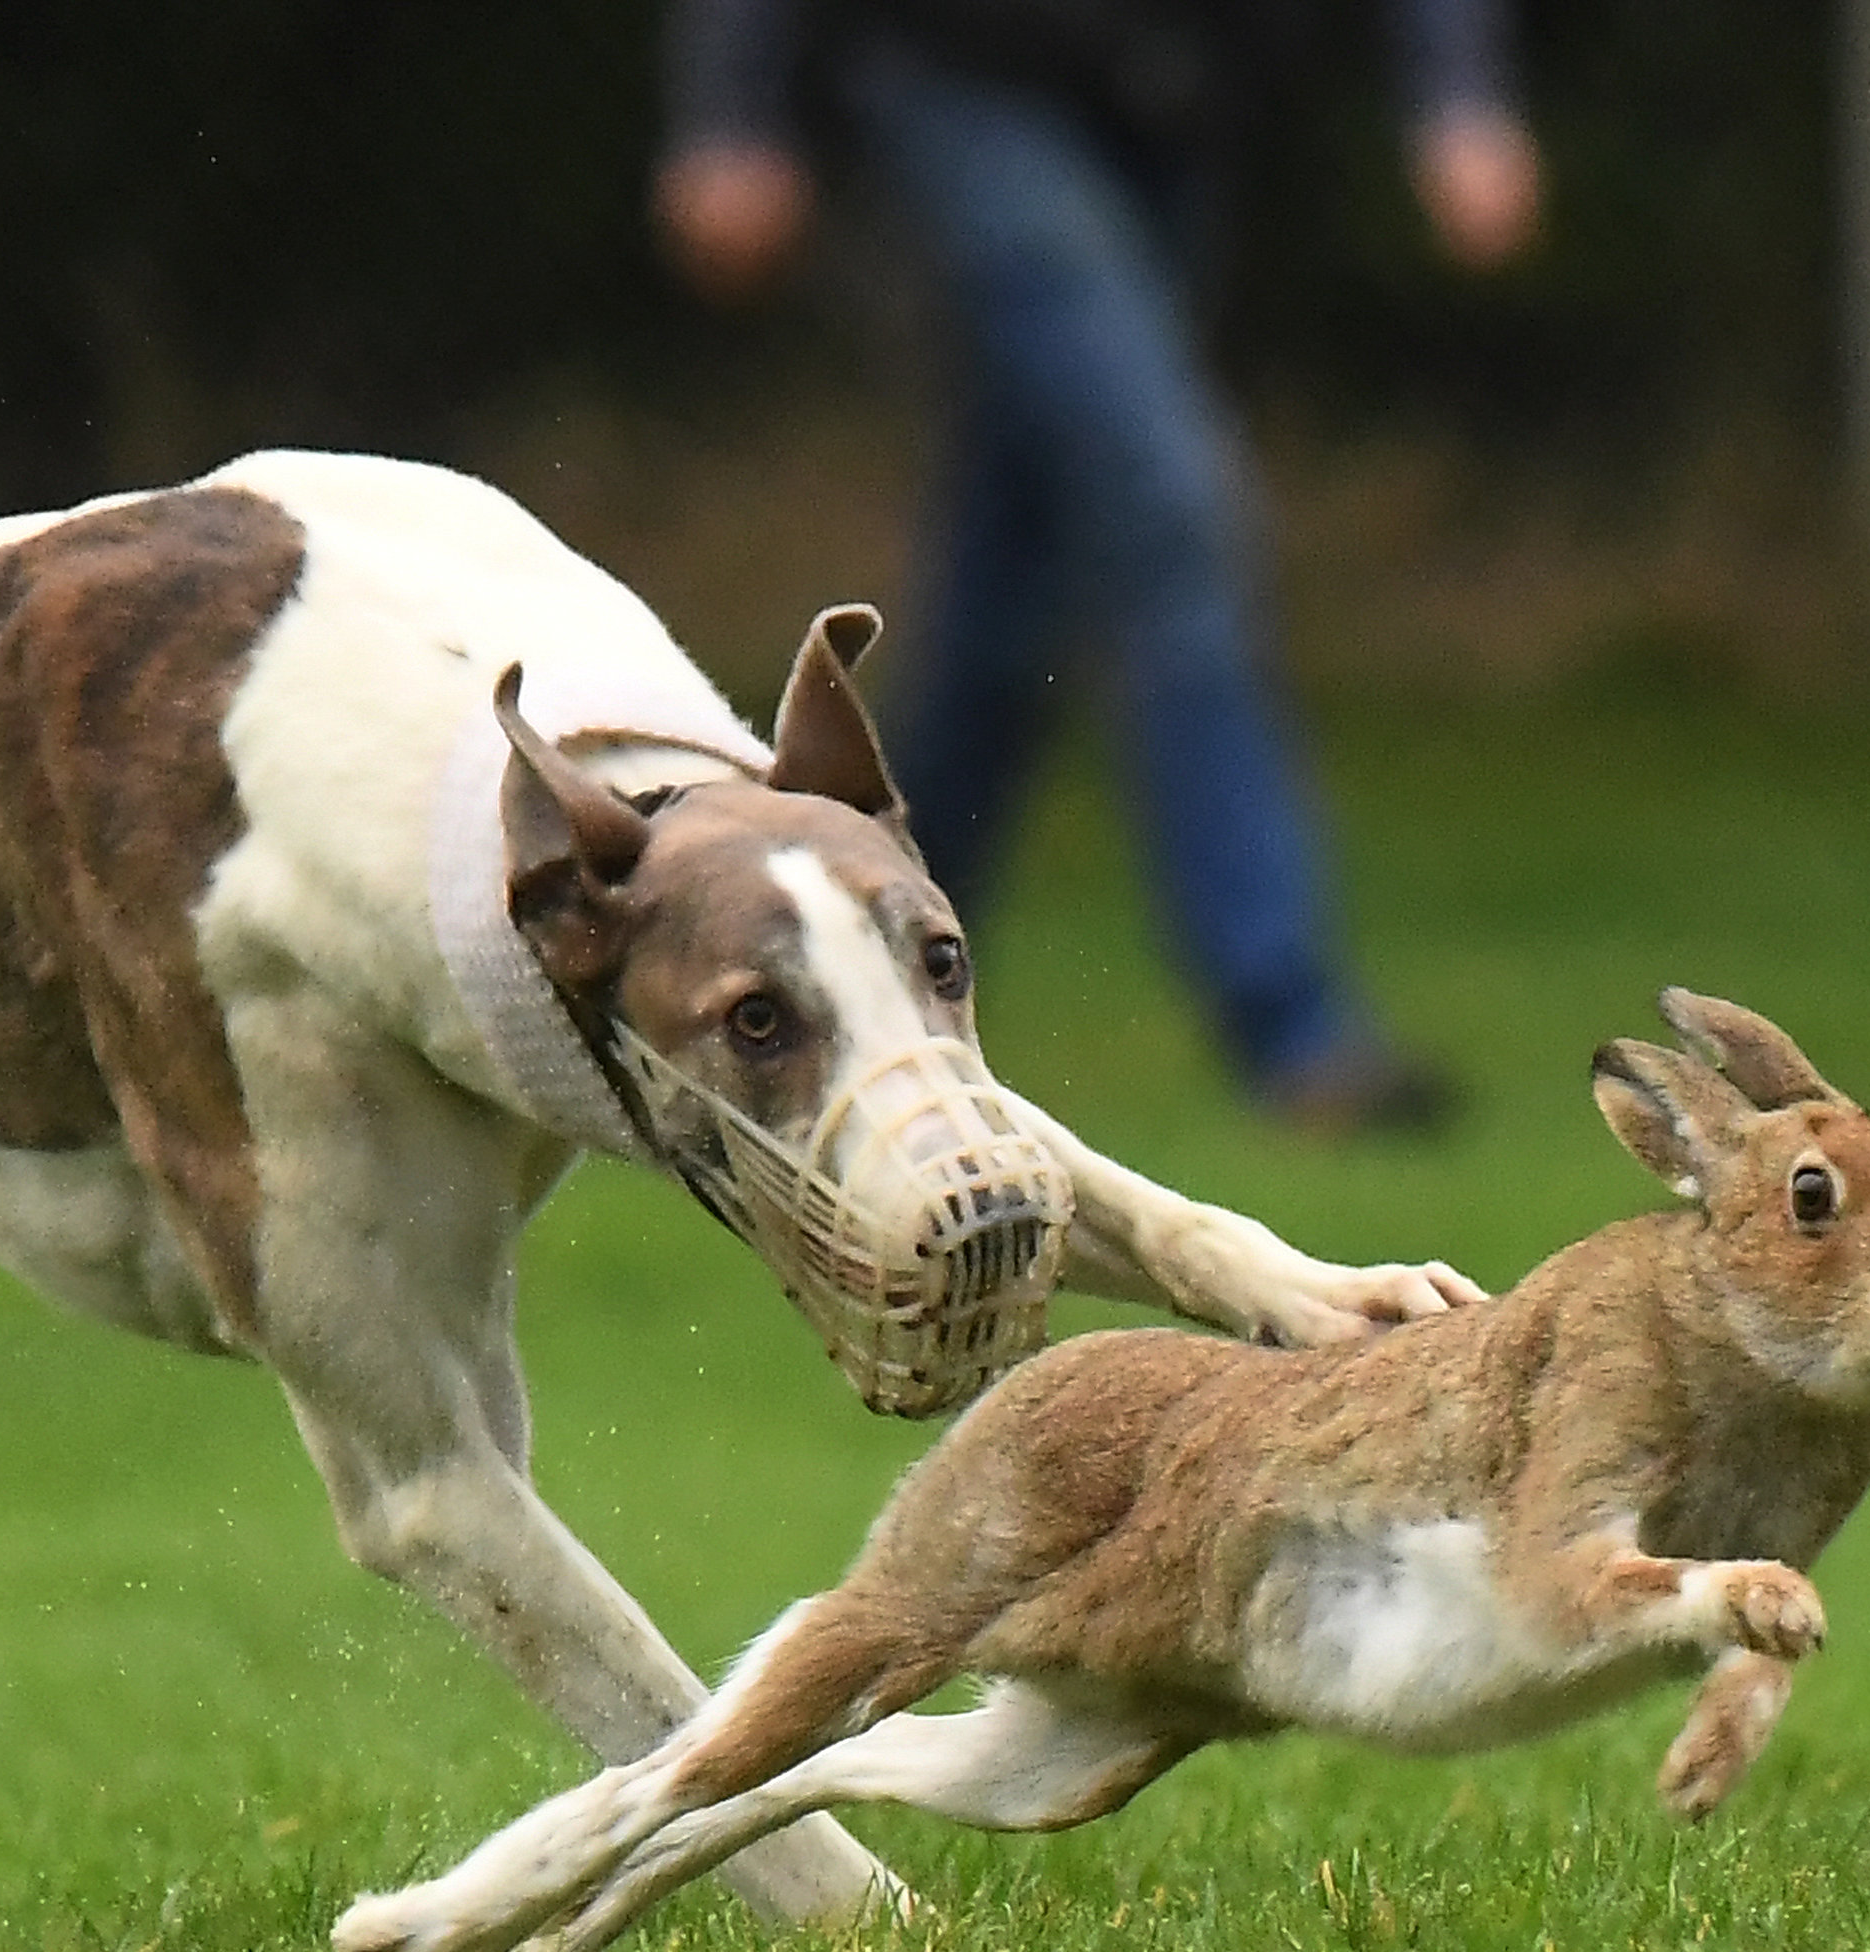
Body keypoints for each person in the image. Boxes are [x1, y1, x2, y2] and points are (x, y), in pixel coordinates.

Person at [659, 0, 1542, 1134]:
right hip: (963, 79)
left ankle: (858, 951)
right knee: (1167, 510)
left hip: (1171, 113)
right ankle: (1292, 1024)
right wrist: (730, 110)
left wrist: (1456, 94)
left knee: (1010, 587)